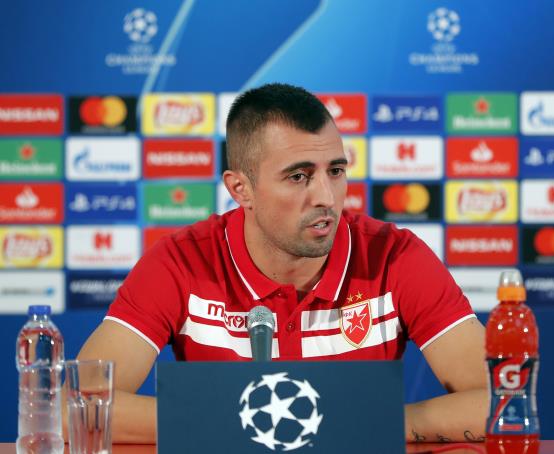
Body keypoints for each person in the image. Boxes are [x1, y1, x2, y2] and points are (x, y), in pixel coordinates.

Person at [69, 83, 488, 444]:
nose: (326, 197)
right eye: (298, 176)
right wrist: (260, 421)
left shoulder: (395, 256)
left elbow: (500, 400)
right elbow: (77, 406)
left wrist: (361, 421)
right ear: (241, 189)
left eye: (335, 170)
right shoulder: (181, 262)